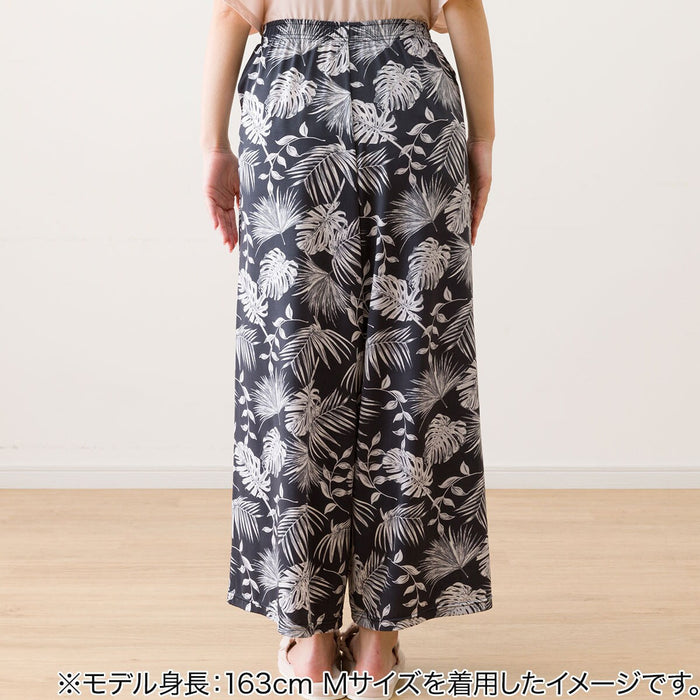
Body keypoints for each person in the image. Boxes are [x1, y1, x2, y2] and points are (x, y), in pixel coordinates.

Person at [201, 0, 495, 692]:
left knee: (295, 359)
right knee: (413, 358)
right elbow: (461, 6)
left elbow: (232, 14)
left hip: (291, 102)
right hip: (412, 103)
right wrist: (483, 141)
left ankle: (307, 642)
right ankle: (377, 643)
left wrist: (214, 145)